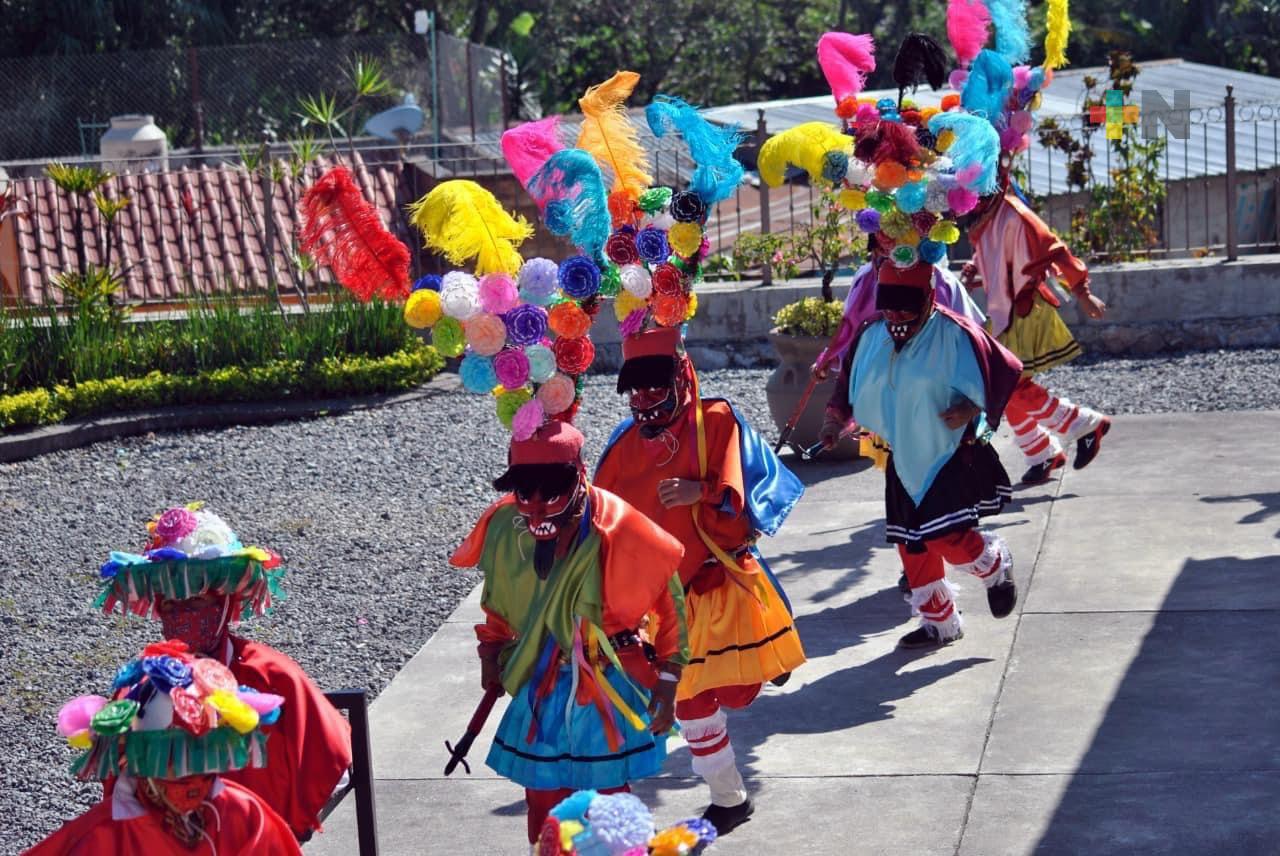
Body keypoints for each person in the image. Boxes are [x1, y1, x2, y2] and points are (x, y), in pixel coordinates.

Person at [595, 325, 807, 835]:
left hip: (720, 586)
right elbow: (600, 522)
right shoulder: (622, 445)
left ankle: (759, 666)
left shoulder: (715, 420)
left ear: (681, 374)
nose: (643, 398)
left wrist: (703, 491)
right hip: (665, 605)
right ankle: (730, 798)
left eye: (654, 384)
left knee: (732, 692)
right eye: (634, 387)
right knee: (690, 701)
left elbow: (744, 504)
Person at [450, 419, 691, 848]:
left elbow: (669, 603)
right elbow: (500, 598)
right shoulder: (507, 527)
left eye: (550, 495)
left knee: (608, 800)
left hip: (608, 681)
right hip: (541, 684)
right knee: (543, 801)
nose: (536, 510)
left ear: (578, 478)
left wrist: (669, 679)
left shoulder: (620, 526)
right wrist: (491, 651)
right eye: (524, 495)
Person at [94, 505, 352, 840]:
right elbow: (120, 793)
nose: (183, 614)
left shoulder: (272, 676)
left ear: (225, 604)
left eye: (197, 602)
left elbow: (329, 761)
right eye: (171, 605)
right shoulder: (139, 685)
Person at [820, 260, 1023, 648]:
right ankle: (940, 623)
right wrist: (833, 422)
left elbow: (1005, 369)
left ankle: (995, 563)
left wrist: (971, 408)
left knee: (946, 537)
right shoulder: (871, 333)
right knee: (911, 544)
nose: (896, 315)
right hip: (902, 454)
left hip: (949, 453)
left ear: (929, 298)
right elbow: (846, 385)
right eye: (888, 304)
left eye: (906, 306)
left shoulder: (955, 333)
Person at [25, 644, 300, 855]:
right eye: (169, 758)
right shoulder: (101, 837)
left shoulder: (245, 816)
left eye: (199, 757)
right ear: (138, 757)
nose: (188, 774)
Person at [964, 184, 1112, 484]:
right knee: (1006, 387)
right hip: (1004, 312)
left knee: (1009, 384)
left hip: (1025, 309)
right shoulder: (986, 216)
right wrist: (971, 270)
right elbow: (990, 255)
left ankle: (1084, 423)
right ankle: (1041, 452)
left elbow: (1053, 248)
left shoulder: (1015, 213)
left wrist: (1082, 292)